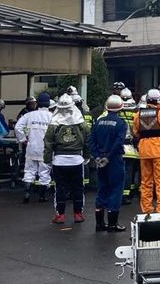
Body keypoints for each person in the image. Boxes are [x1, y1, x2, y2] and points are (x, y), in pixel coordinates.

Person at [43, 94, 91, 224]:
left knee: (60, 188)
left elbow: (48, 143)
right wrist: (87, 156)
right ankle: (78, 214)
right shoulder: (81, 124)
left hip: (59, 160)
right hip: (77, 160)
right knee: (78, 188)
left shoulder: (53, 124)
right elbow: (87, 141)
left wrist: (47, 159)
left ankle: (60, 215)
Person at [89, 95, 129, 232]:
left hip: (100, 160)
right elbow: (118, 142)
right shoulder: (121, 123)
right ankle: (112, 224)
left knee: (102, 188)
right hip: (114, 160)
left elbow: (91, 141)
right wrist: (109, 157)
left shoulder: (98, 122)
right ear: (120, 108)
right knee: (116, 189)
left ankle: (99, 223)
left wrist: (97, 156)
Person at [133, 89, 160, 214]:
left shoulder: (138, 115)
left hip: (144, 151)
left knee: (146, 182)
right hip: (159, 151)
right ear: (158, 100)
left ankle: (146, 208)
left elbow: (135, 132)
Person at [15, 92, 54, 203]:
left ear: (38, 103)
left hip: (31, 147)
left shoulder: (29, 115)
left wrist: (23, 139)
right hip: (46, 149)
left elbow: (18, 127)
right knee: (44, 173)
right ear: (48, 104)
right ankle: (42, 196)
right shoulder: (52, 117)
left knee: (29, 171)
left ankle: (27, 194)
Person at [117, 88, 140, 204]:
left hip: (118, 148)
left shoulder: (116, 111)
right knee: (129, 172)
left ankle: (120, 194)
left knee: (119, 172)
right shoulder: (136, 112)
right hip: (132, 147)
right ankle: (127, 194)